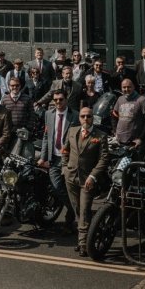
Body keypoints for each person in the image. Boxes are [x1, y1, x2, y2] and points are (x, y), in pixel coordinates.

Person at [63, 107, 110, 256]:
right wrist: (65, 168)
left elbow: (104, 159)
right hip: (70, 177)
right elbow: (65, 151)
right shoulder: (72, 131)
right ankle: (85, 238)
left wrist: (93, 176)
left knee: (84, 210)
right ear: (79, 118)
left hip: (87, 180)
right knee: (77, 209)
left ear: (92, 118)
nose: (85, 119)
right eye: (83, 116)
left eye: (88, 116)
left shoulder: (100, 136)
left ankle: (83, 244)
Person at [38, 91, 73, 227]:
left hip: (69, 159)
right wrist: (43, 157)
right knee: (57, 187)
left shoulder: (74, 116)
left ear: (66, 100)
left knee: (70, 189)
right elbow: (47, 137)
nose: (58, 103)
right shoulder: (49, 114)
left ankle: (70, 220)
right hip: (54, 158)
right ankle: (73, 208)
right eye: (55, 100)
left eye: (61, 100)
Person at [112, 78, 145, 148]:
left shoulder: (142, 100)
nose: (126, 89)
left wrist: (141, 138)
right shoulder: (120, 99)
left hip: (134, 142)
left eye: (129, 87)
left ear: (134, 87)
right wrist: (115, 131)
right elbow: (114, 115)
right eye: (124, 87)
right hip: (119, 140)